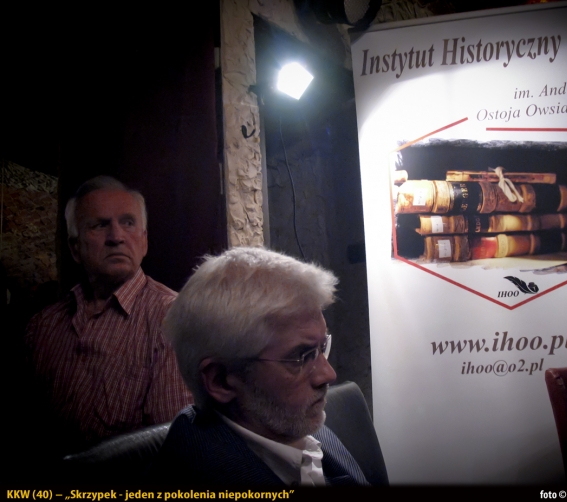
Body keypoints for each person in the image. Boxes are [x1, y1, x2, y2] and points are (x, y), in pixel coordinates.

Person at [151, 247, 369, 486]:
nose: (328, 374)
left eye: (321, 347)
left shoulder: (290, 425)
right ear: (220, 380)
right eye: (302, 356)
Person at [25, 176, 193, 457]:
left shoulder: (173, 319)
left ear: (144, 240)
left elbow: (172, 449)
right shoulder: (43, 327)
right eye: (100, 225)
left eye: (128, 223)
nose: (116, 237)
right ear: (75, 248)